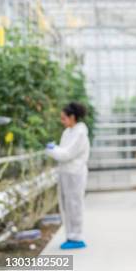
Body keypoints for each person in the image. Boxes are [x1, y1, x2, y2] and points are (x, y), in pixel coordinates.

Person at [45, 102, 91, 250]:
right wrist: (55, 149)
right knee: (66, 205)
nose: (62, 121)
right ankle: (70, 235)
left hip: (75, 174)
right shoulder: (68, 132)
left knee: (74, 205)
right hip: (66, 173)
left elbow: (67, 154)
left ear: (72, 117)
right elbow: (63, 152)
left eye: (64, 118)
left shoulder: (80, 133)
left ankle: (77, 237)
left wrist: (52, 150)